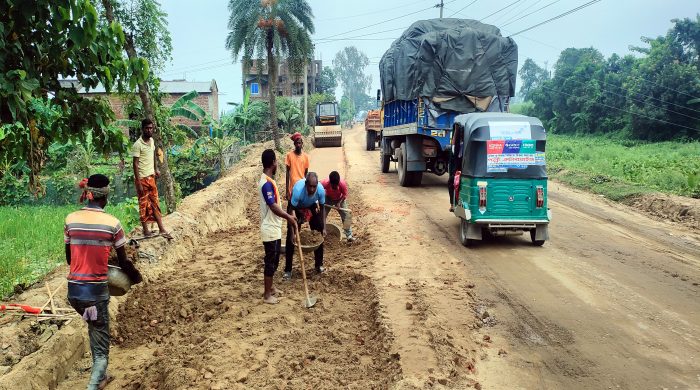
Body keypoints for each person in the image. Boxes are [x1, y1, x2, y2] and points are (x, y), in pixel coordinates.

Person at [64, 174, 142, 390]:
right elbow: (124, 263)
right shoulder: (112, 224)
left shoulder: (70, 219)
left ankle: (102, 376)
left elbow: (70, 259)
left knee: (94, 325)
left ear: (88, 194)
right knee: (101, 348)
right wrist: (136, 277)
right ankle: (93, 384)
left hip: (75, 294)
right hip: (95, 294)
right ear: (105, 197)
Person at [259, 149, 297, 304]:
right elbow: (273, 206)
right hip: (269, 228)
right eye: (276, 162)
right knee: (270, 261)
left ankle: (272, 287)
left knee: (274, 260)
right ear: (273, 162)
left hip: (274, 227)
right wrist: (288, 217)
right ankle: (267, 295)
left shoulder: (269, 180)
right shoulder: (266, 184)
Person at [132, 118, 172, 239]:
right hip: (142, 179)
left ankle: (161, 229)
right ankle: (146, 230)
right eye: (147, 128)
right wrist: (138, 182)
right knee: (143, 204)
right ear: (142, 129)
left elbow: (154, 156)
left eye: (151, 128)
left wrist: (156, 169)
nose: (149, 130)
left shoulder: (152, 141)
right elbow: (135, 164)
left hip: (151, 178)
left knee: (155, 203)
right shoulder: (137, 144)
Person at [284, 172, 326, 279]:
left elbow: (322, 208)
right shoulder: (298, 190)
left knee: (319, 233)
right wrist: (293, 232)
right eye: (310, 186)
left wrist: (324, 227)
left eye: (314, 187)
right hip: (295, 207)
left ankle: (319, 265)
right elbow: (291, 209)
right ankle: (288, 270)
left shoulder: (320, 190)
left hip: (311, 205)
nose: (312, 189)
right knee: (290, 238)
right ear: (306, 184)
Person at [320, 171, 355, 242]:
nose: (335, 187)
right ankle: (321, 232)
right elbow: (318, 190)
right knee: (322, 215)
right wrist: (320, 201)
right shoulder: (324, 183)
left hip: (339, 198)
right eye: (333, 186)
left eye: (336, 185)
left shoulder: (342, 184)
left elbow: (345, 195)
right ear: (330, 182)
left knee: (346, 216)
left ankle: (349, 235)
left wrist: (339, 202)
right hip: (328, 197)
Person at [284, 132, 310, 200]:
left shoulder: (306, 157)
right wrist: (287, 190)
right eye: (296, 143)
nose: (298, 145)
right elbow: (287, 173)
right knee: (290, 206)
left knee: (300, 207)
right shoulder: (289, 155)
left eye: (299, 143)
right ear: (294, 144)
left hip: (302, 187)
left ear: (302, 144)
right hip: (292, 187)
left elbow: (306, 173)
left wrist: (307, 188)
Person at [448, 125, 464, 212]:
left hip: (463, 169)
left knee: (452, 181)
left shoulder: (460, 145)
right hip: (459, 168)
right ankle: (453, 204)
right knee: (452, 181)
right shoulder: (457, 145)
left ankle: (453, 204)